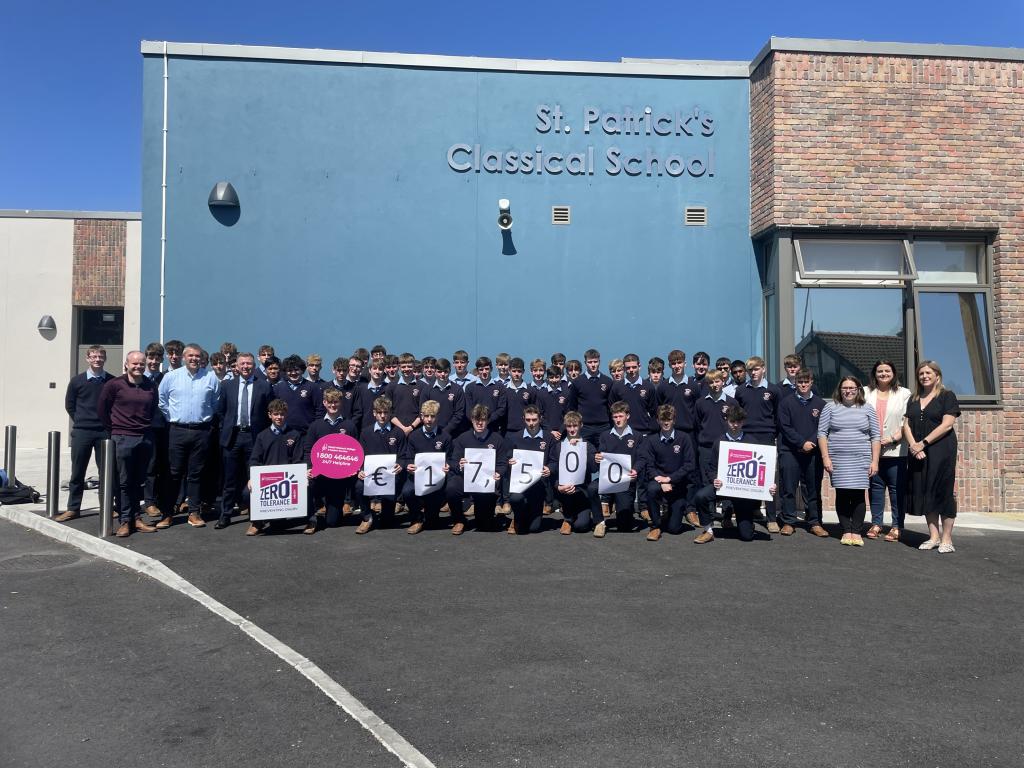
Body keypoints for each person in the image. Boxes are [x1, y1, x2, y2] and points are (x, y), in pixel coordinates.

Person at [157, 344, 222, 528]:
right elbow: (162, 401)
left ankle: (194, 512)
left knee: (196, 473)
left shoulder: (210, 378)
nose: (194, 359)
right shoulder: (171, 377)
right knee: (174, 473)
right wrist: (173, 418)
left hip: (201, 432)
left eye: (197, 356)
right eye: (190, 355)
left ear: (201, 358)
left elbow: (215, 403)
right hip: (177, 431)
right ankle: (168, 514)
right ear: (184, 357)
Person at [692, 405, 777, 543]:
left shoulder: (752, 441)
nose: (735, 425)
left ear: (743, 422)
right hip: (723, 487)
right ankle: (708, 530)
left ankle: (747, 523)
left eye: (739, 422)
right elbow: (711, 467)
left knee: (746, 536)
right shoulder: (719, 441)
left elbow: (761, 469)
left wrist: (769, 486)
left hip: (743, 492)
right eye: (732, 421)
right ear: (727, 420)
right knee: (701, 496)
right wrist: (715, 479)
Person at [96, 351, 158, 536]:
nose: (138, 366)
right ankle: (125, 521)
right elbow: (102, 410)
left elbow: (153, 408)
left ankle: (136, 519)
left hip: (145, 438)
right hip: (123, 437)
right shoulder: (114, 384)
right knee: (124, 482)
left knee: (139, 481)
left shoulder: (150, 385)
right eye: (134, 363)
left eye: (141, 364)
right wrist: (115, 429)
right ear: (127, 364)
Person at [903, 361, 961, 553]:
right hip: (918, 452)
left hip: (941, 451)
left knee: (942, 492)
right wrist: (914, 445)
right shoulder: (913, 398)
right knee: (925, 491)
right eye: (921, 373)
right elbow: (906, 425)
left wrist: (923, 443)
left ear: (937, 375)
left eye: (928, 373)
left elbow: (947, 424)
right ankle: (934, 537)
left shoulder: (947, 396)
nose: (924, 376)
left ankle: (947, 539)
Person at [817, 376, 880, 546]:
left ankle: (856, 531)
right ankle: (846, 530)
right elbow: (822, 433)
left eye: (852, 388)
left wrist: (875, 461)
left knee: (859, 495)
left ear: (859, 390)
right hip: (838, 460)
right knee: (843, 494)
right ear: (839, 389)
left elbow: (875, 436)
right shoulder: (830, 407)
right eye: (845, 388)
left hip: (861, 459)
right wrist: (825, 458)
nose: (848, 391)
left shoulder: (867, 408)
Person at [57, 345, 114, 522]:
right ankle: (73, 508)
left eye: (100, 356)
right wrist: (81, 420)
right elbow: (70, 405)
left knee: (106, 473)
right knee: (77, 472)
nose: (97, 359)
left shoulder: (112, 381)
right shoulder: (77, 381)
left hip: (104, 432)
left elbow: (115, 405)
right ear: (87, 358)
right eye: (94, 356)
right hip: (82, 432)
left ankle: (107, 507)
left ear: (105, 359)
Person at [216, 352, 271, 529]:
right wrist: (226, 428)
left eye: (249, 363)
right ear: (237, 366)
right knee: (229, 479)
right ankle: (225, 515)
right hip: (232, 437)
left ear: (253, 366)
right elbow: (221, 411)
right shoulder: (227, 385)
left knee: (254, 478)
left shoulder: (264, 386)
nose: (245, 366)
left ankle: (256, 517)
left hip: (254, 438)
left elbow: (269, 413)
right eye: (242, 364)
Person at [246, 399, 311, 536]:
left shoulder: (294, 434)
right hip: (267, 481)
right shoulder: (262, 436)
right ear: (270, 415)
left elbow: (298, 460)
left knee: (278, 525)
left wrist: (302, 476)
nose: (279, 417)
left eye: (281, 414)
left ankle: (310, 520)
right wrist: (252, 478)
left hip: (287, 481)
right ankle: (257, 522)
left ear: (286, 414)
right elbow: (254, 460)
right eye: (275, 414)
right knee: (246, 493)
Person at [863, 360, 912, 542]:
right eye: (880, 371)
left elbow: (908, 421)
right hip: (871, 450)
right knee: (875, 488)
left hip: (896, 449)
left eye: (887, 371)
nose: (883, 374)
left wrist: (892, 438)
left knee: (896, 490)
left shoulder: (904, 393)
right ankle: (876, 524)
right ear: (874, 374)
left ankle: (897, 526)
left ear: (893, 373)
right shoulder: (865, 392)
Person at [776, 369, 828, 537]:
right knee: (788, 488)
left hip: (813, 452)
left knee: (812, 489)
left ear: (812, 382)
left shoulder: (821, 404)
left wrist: (810, 443)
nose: (803, 384)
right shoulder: (785, 403)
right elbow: (784, 426)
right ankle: (789, 522)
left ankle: (815, 522)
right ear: (795, 383)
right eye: (800, 382)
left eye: (806, 381)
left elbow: (823, 427)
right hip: (789, 451)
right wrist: (801, 443)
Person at [303, 388, 360, 529]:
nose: (333, 405)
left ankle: (334, 509)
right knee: (306, 485)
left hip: (339, 479)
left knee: (332, 522)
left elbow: (356, 451)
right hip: (319, 476)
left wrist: (354, 466)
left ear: (341, 403)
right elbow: (308, 450)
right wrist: (309, 468)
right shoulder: (315, 426)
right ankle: (311, 518)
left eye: (336, 402)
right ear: (324, 403)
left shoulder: (349, 425)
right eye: (329, 402)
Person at [446, 404, 507, 534]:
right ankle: (459, 520)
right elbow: (453, 461)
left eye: (483, 420)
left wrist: (498, 473)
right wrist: (459, 465)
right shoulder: (463, 438)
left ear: (488, 421)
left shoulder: (497, 439)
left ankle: (485, 517)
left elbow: (503, 464)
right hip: (465, 478)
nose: (479, 423)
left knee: (484, 525)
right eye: (476, 420)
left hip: (485, 482)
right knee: (451, 488)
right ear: (472, 420)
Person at [641, 404, 697, 541]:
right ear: (658, 420)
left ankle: (670, 513)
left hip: (678, 485)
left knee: (674, 529)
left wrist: (670, 479)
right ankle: (655, 526)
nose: (666, 422)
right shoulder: (651, 440)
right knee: (651, 489)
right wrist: (661, 480)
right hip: (659, 481)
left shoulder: (684, 438)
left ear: (674, 420)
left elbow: (690, 464)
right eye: (663, 419)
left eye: (669, 419)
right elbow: (649, 465)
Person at [590, 401, 644, 536]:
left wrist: (636, 470)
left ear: (627, 416)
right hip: (607, 480)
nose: (618, 420)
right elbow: (601, 457)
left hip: (626, 481)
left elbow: (642, 458)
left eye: (620, 416)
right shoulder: (605, 435)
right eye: (615, 417)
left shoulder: (637, 436)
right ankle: (599, 522)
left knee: (624, 526)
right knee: (591, 488)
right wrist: (597, 458)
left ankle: (621, 508)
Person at [355, 396, 408, 533]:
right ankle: (367, 517)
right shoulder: (366, 432)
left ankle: (385, 514)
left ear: (390, 413)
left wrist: (401, 464)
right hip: (370, 475)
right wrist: (360, 470)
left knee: (387, 522)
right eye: (379, 412)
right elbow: (360, 456)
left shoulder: (398, 432)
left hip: (390, 476)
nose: (382, 416)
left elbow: (404, 455)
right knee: (359, 487)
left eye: (385, 412)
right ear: (374, 413)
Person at [402, 400, 452, 534]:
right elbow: (408, 458)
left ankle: (430, 514)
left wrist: (448, 465)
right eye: (426, 416)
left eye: (432, 416)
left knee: (432, 523)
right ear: (421, 416)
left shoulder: (445, 437)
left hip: (437, 479)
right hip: (417, 477)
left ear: (437, 417)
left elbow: (450, 458)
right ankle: (417, 518)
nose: (429, 419)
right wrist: (409, 465)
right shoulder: (413, 436)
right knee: (407, 491)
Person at [505, 405, 554, 535]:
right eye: (528, 420)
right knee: (515, 499)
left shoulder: (548, 438)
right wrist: (509, 462)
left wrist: (550, 468)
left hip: (539, 486)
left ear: (540, 419)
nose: (531, 423)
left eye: (534, 419)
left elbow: (554, 460)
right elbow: (506, 458)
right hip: (520, 485)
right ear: (523, 419)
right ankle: (517, 517)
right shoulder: (514, 437)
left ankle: (527, 513)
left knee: (534, 528)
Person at [551, 411, 598, 535]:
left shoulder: (588, 445)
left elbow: (594, 469)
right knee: (567, 493)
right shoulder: (558, 446)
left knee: (581, 527)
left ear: (581, 425)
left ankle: (582, 515)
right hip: (565, 492)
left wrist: (582, 449)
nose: (572, 429)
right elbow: (553, 470)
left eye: (575, 426)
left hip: (583, 491)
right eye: (569, 426)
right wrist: (558, 486)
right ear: (565, 427)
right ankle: (567, 519)